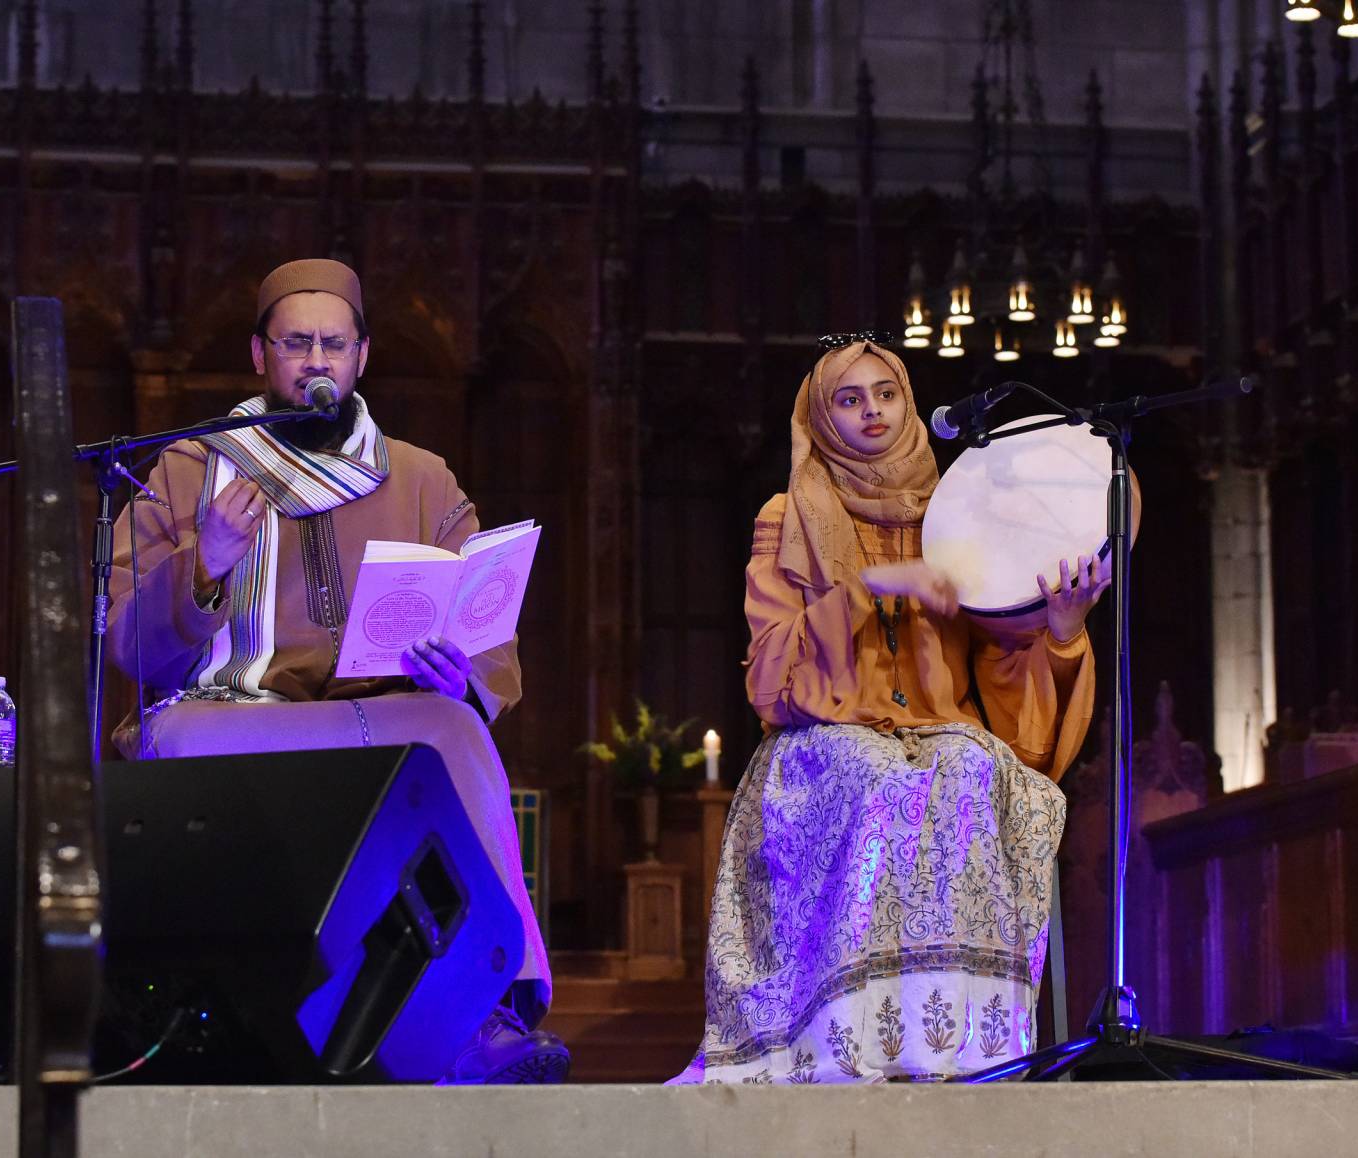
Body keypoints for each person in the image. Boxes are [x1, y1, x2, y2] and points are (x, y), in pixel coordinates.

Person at [106, 258, 569, 1084]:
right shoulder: (189, 471)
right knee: (169, 739)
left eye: (333, 343)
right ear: (260, 355)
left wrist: (459, 674)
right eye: (295, 344)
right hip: (228, 718)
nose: (315, 361)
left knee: (453, 726)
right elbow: (130, 651)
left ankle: (493, 1010)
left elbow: (490, 639)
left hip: (370, 718)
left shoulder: (421, 478)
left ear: (362, 356)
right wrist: (203, 565)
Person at [670, 338, 1104, 1084]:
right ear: (822, 416)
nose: (872, 411)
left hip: (939, 731)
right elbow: (772, 677)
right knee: (871, 773)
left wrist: (1061, 633)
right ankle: (849, 1045)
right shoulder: (789, 515)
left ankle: (963, 1045)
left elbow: (999, 663)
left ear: (908, 403)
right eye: (850, 398)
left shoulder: (956, 513)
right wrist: (871, 585)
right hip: (827, 735)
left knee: (970, 764)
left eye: (886, 394)